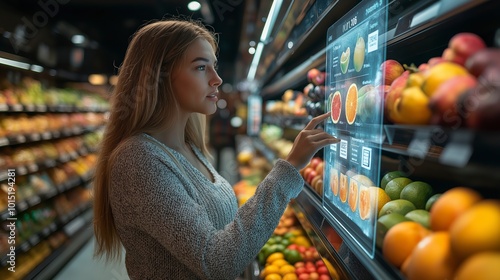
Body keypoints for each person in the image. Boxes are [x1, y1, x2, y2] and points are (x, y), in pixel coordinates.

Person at [92, 18, 339, 280]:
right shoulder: (138, 161)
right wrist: (287, 170)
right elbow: (217, 262)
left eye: (214, 66)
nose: (217, 79)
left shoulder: (188, 148)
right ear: (158, 78)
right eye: (201, 67)